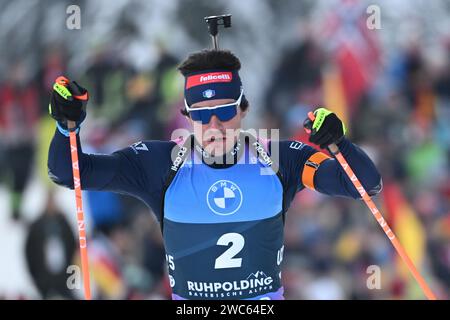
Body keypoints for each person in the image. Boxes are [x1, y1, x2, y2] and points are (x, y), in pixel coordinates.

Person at [47, 49, 382, 300]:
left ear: (243, 109)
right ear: (187, 116)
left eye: (224, 111)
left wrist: (339, 144)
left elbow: (365, 186)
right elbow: (68, 172)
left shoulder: (280, 157)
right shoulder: (160, 163)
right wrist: (66, 128)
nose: (214, 126)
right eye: (201, 115)